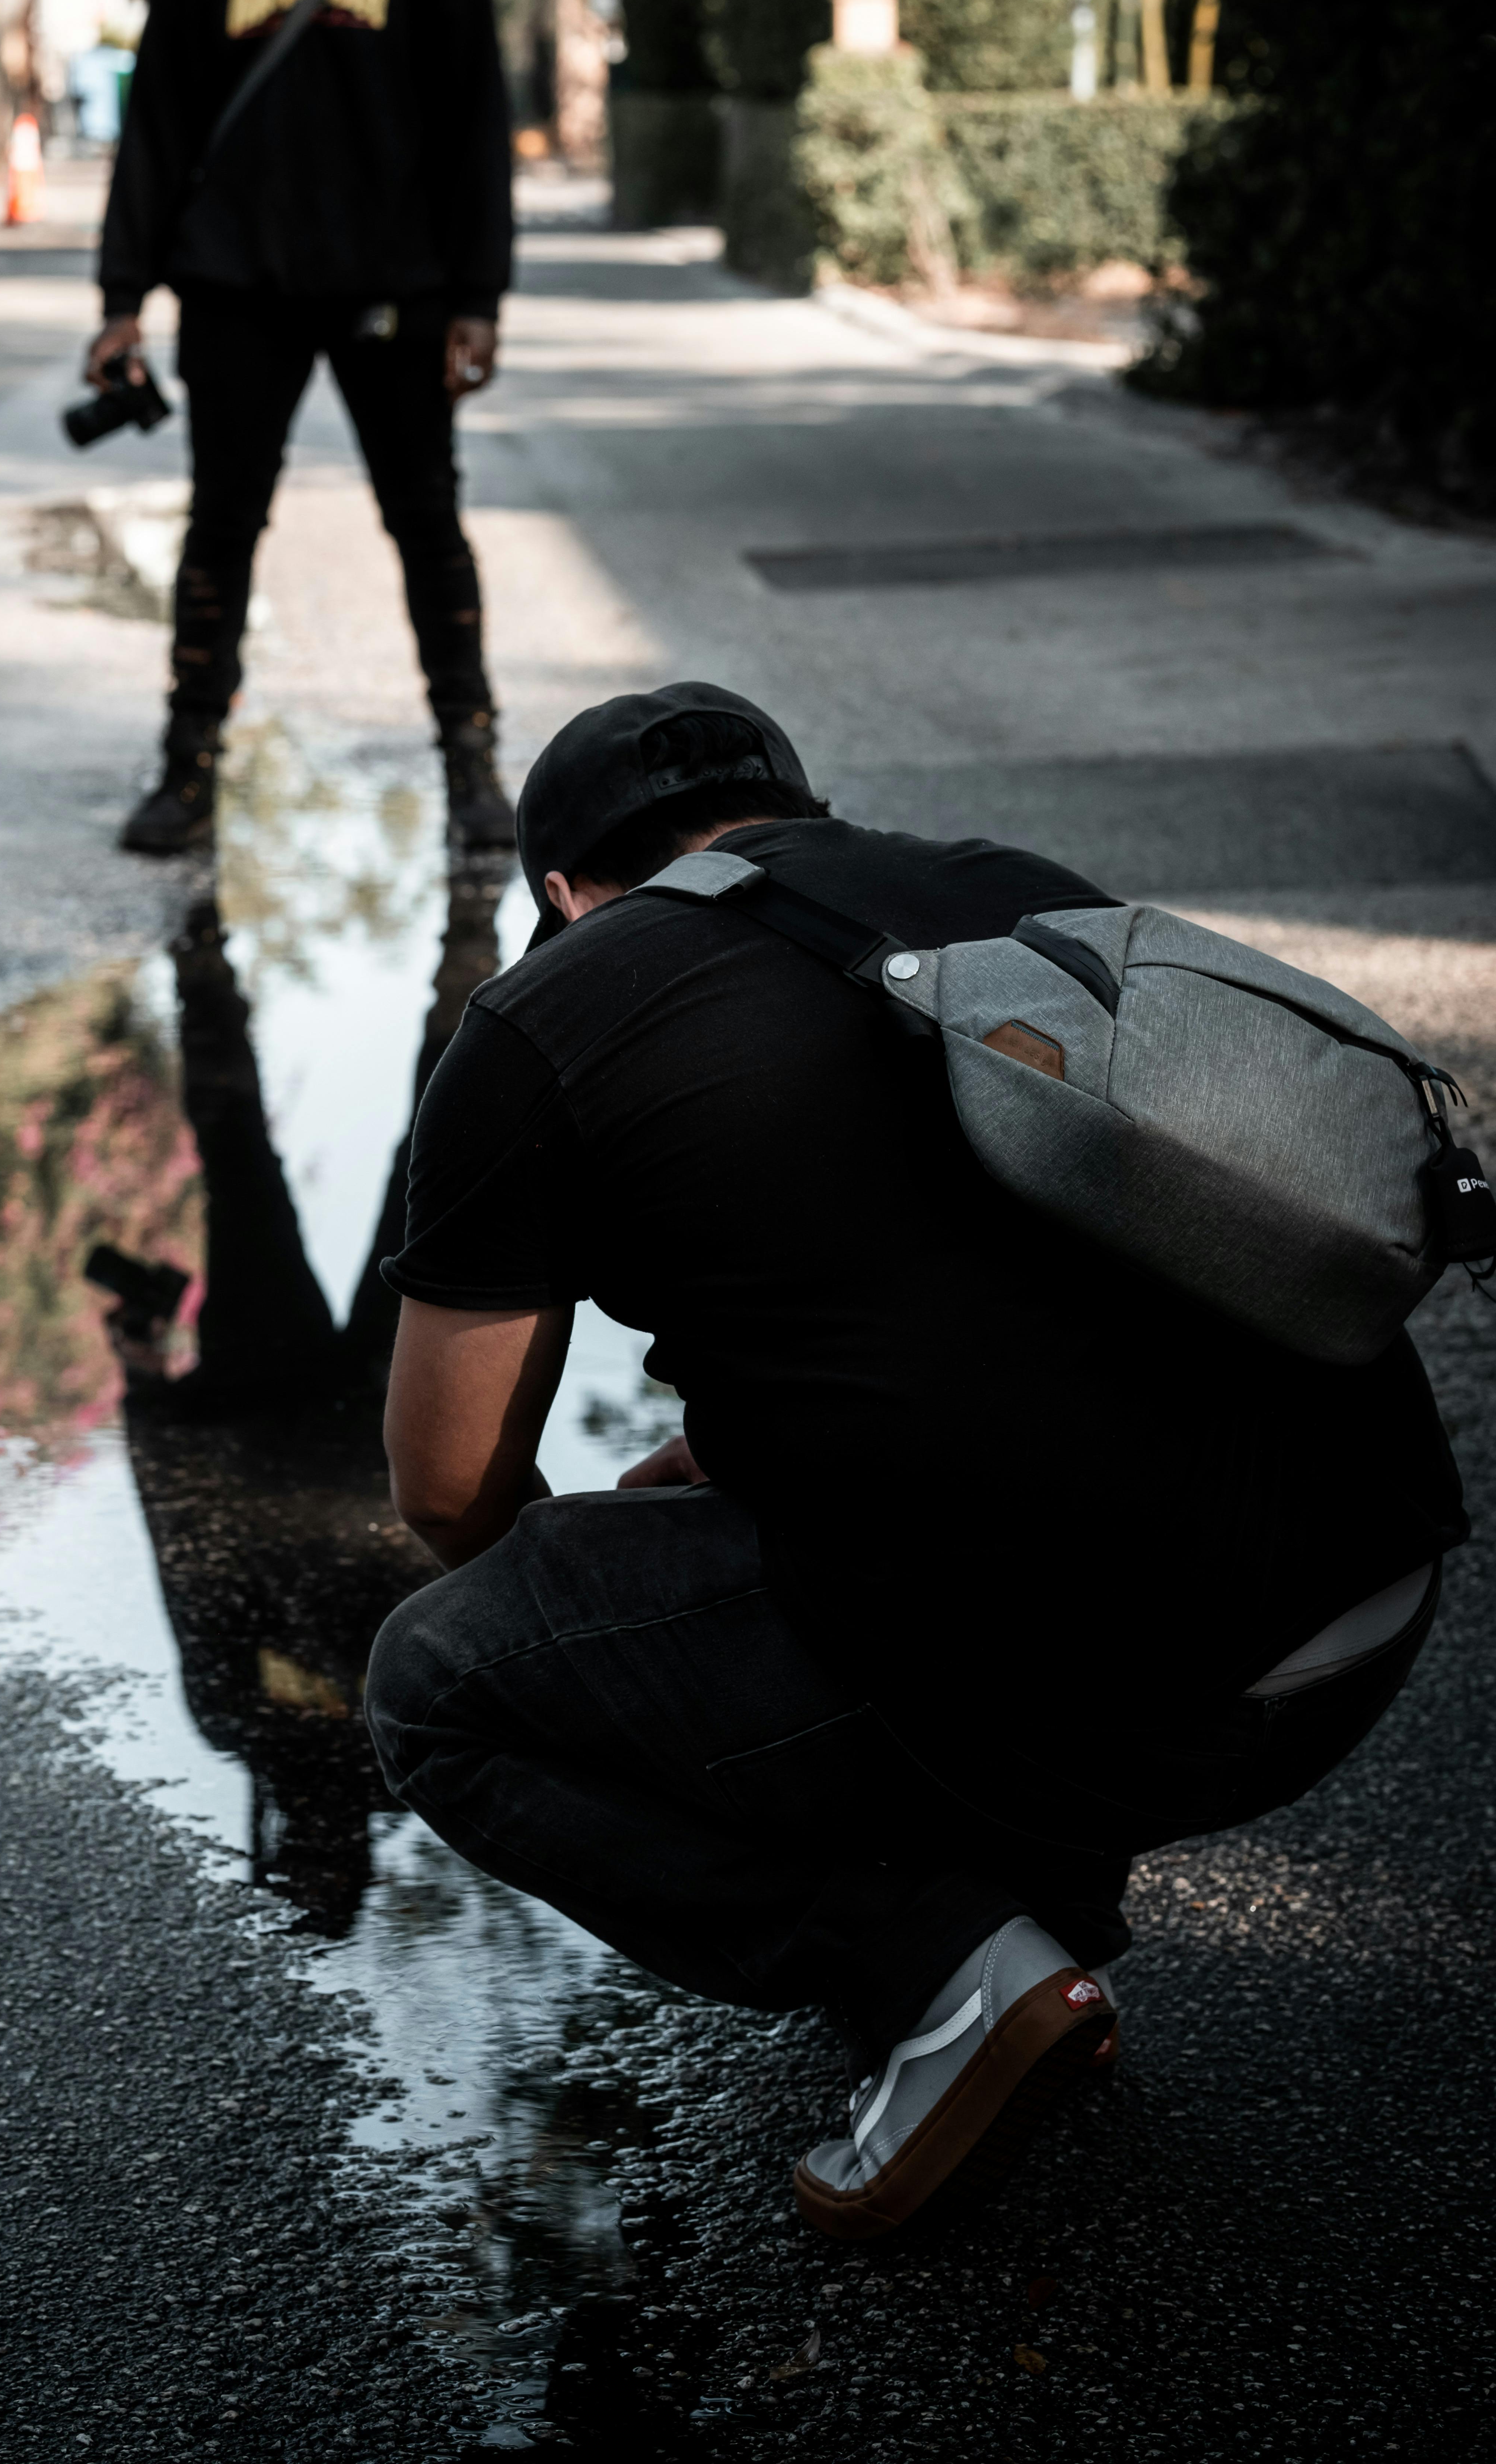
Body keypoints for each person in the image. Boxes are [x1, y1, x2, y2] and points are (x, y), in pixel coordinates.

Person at [363, 680, 1466, 2240]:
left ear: (561, 890)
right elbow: (1021, 1301)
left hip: (1126, 1704)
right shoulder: (1015, 891)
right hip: (1366, 1607)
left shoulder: (543, 1016)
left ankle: (938, 1962)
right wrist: (769, 1456)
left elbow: (448, 1487)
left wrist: (669, 1674)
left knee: (443, 1682)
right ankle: (1035, 1915)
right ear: (798, 817)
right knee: (930, 1524)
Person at [85, 0, 516, 857]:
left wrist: (480, 296)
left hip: (395, 288)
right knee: (221, 529)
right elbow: (158, 128)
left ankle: (473, 765)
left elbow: (477, 120)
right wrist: (122, 297)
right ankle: (185, 771)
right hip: (238, 287)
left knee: (427, 521)